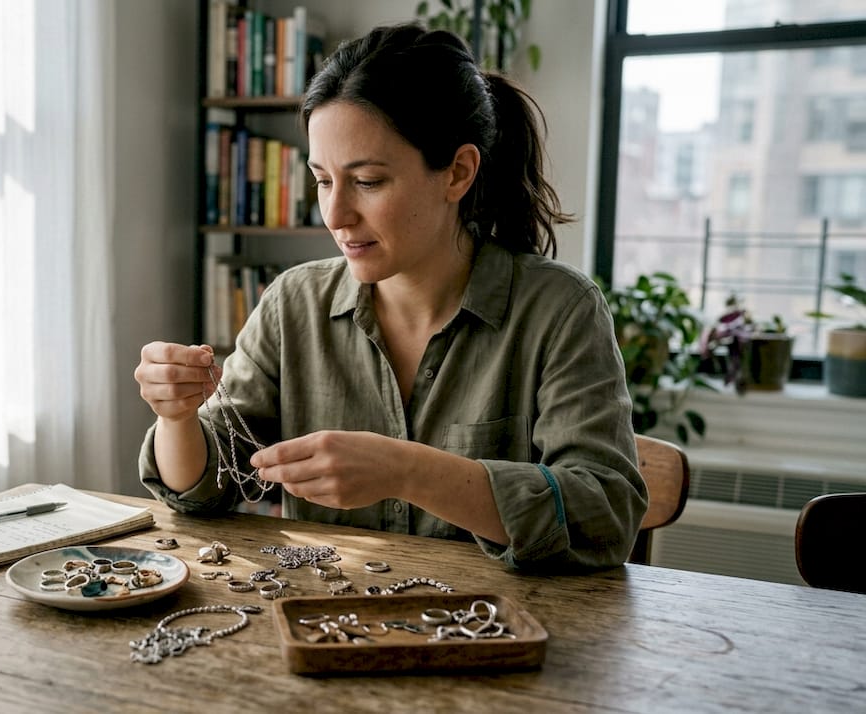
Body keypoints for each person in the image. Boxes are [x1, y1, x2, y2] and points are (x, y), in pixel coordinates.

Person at [133, 22, 646, 571]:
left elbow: (606, 514)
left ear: (458, 172)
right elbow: (204, 488)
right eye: (323, 181)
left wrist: (408, 471)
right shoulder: (291, 304)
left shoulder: (560, 310)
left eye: (369, 181)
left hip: (493, 637)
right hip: (322, 631)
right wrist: (177, 417)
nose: (335, 215)